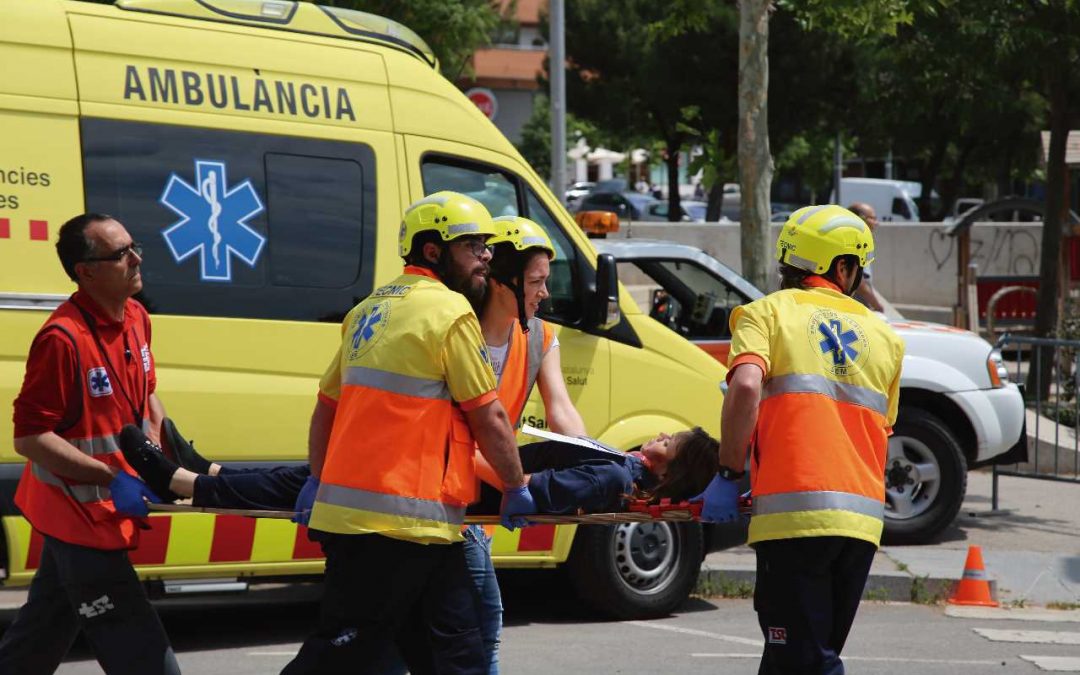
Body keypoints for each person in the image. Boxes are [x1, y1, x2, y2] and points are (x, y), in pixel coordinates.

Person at [283, 191, 533, 675]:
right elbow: (489, 416)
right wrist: (515, 485)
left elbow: (326, 407)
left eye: (486, 246)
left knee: (455, 656)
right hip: (401, 526)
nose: (485, 256)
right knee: (341, 655)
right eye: (472, 246)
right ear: (432, 251)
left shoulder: (368, 310)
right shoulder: (450, 313)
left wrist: (317, 478)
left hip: (403, 526)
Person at [699, 204, 904, 674]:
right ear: (843, 268)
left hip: (794, 523)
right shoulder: (885, 336)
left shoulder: (766, 314)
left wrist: (729, 472)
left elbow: (745, 386)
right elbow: (880, 429)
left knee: (806, 661)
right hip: (860, 525)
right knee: (791, 659)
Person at [0, 214, 180, 675]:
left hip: (103, 512)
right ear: (86, 272)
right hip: (76, 515)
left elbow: (146, 397)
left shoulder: (137, 317)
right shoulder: (61, 339)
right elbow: (30, 438)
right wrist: (112, 477)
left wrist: (157, 451)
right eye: (121, 254)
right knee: (143, 656)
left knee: (35, 643)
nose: (136, 259)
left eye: (134, 246)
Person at [846, 202, 885, 312]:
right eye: (873, 218)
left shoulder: (860, 240)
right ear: (861, 219)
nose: (876, 223)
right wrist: (878, 306)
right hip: (855, 310)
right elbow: (858, 281)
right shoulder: (857, 243)